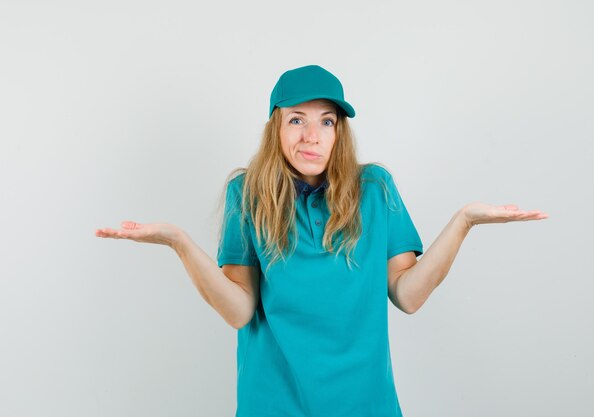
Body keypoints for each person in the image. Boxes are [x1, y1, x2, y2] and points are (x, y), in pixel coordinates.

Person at [95, 64, 548, 417]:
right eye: (297, 120)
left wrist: (463, 222)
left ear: (339, 131)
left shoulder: (375, 190)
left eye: (326, 122)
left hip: (364, 406)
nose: (312, 136)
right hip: (273, 404)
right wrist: (179, 242)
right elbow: (239, 310)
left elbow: (408, 295)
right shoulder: (246, 194)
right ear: (276, 126)